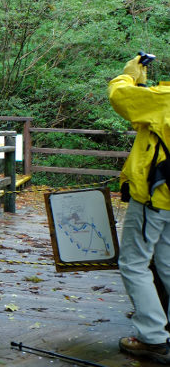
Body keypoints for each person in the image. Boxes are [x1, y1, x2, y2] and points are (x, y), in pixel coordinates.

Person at [109, 55, 170, 363]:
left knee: (134, 263)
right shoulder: (160, 101)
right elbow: (145, 119)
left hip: (155, 199)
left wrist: (129, 75)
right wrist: (145, 86)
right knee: (168, 266)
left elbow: (121, 98)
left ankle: (153, 337)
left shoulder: (165, 99)